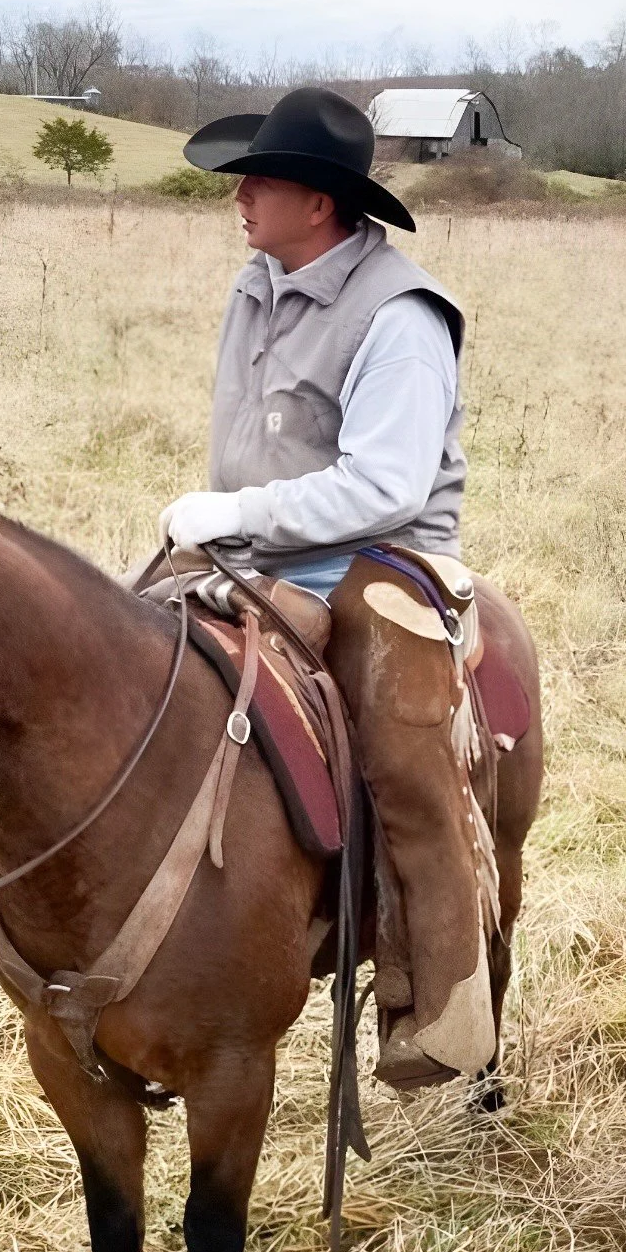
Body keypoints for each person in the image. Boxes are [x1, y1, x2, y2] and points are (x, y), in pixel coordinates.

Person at [158, 88, 495, 1088]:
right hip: (251, 549)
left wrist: (238, 517)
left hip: (378, 560)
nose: (239, 199)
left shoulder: (401, 316)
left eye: (258, 182)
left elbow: (385, 484)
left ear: (319, 202)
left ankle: (439, 1005)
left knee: (401, 750)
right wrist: (226, 525)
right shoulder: (255, 284)